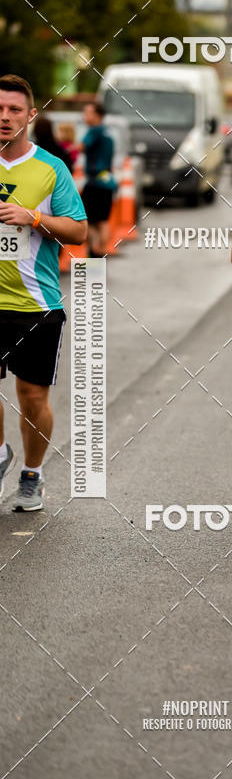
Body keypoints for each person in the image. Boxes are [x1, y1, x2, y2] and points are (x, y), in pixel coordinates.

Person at [0, 74, 87, 510]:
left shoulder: (51, 168)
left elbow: (78, 231)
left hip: (36, 304)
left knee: (32, 397)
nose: (5, 117)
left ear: (30, 116)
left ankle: (31, 474)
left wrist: (33, 217)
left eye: (15, 109)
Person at [81, 101, 116, 257]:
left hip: (95, 181)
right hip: (107, 179)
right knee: (103, 220)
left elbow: (80, 147)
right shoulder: (108, 133)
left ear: (97, 115)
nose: (85, 116)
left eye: (87, 113)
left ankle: (93, 251)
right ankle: (101, 250)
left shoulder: (94, 131)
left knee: (83, 218)